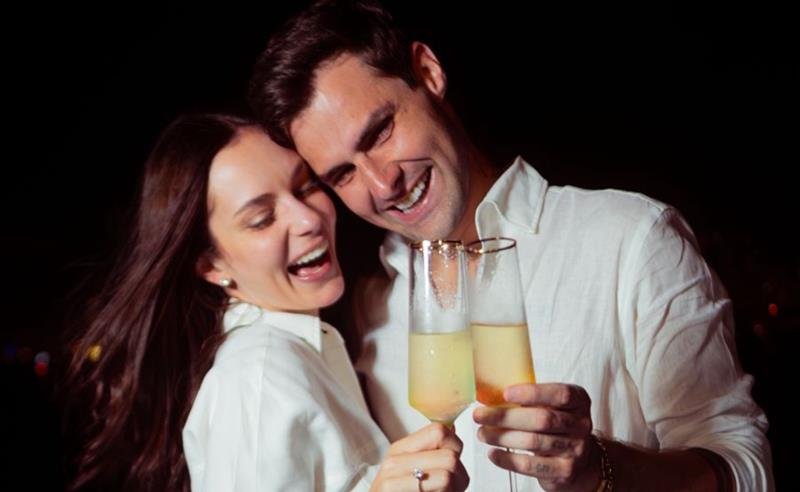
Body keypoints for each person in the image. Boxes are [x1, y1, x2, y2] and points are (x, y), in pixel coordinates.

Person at [247, 1, 774, 490]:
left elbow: (747, 468)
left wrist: (599, 469)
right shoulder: (372, 310)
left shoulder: (629, 236)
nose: (383, 185)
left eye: (380, 132)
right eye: (343, 174)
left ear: (428, 72)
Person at [64, 113, 469, 491]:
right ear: (212, 265)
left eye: (305, 186)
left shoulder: (308, 350)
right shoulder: (257, 375)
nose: (308, 219)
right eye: (262, 219)